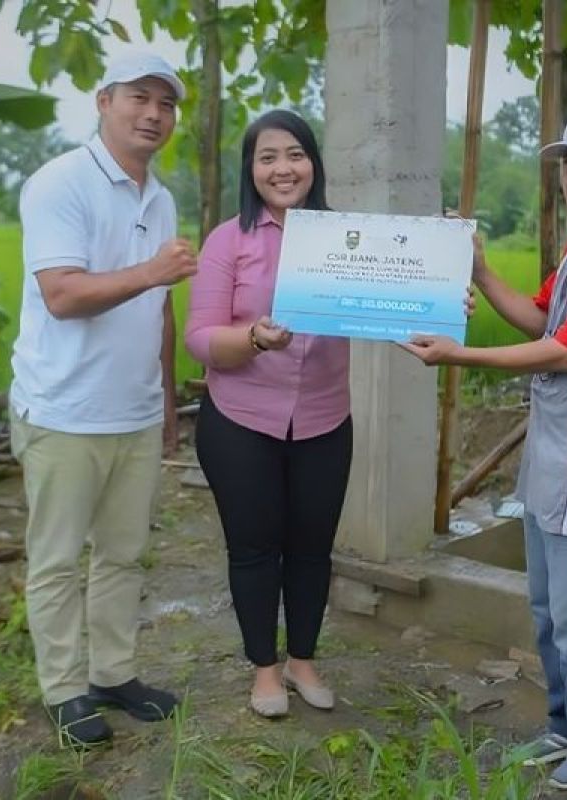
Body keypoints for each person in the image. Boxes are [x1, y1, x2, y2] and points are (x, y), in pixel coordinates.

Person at [402, 103, 567, 790]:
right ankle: (564, 726)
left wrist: (459, 354)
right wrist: (480, 271)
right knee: (551, 611)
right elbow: (541, 314)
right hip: (558, 457)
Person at [9, 51, 196, 748]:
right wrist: (151, 271)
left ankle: (113, 674)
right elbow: (61, 295)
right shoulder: (61, 183)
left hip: (136, 411)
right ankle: (63, 689)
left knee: (122, 554)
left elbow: (162, 309)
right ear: (103, 101)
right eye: (138, 99)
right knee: (57, 560)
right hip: (64, 410)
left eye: (166, 104)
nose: (153, 115)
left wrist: (168, 402)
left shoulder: (159, 194)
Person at [183, 110, 351, 719]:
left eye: (296, 154)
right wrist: (253, 337)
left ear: (314, 163)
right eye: (268, 157)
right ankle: (265, 670)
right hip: (240, 421)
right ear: (250, 170)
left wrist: (439, 299)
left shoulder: (346, 236)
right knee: (254, 549)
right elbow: (199, 338)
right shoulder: (229, 241)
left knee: (312, 548)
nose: (283, 168)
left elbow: (392, 296)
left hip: (325, 419)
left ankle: (304, 660)